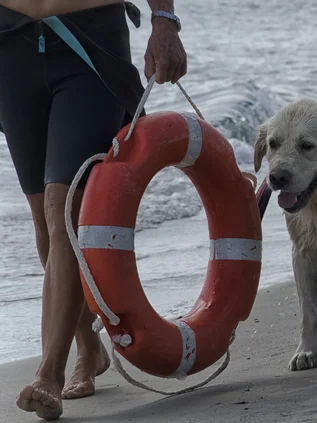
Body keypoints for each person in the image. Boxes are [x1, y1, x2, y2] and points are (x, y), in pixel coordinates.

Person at [0, 0, 187, 419]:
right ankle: (87, 344)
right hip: (10, 45)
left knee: (62, 205)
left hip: (89, 41)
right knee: (45, 224)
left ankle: (49, 371)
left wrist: (164, 20)